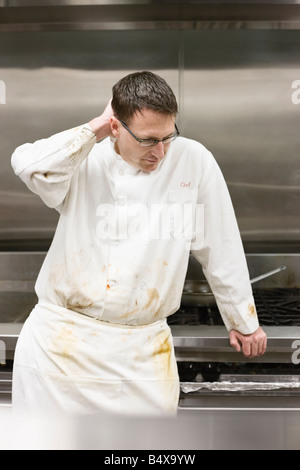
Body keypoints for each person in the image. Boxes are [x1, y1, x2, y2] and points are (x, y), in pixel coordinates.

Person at [11, 71, 267, 416]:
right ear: (116, 127)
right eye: (148, 140)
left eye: (168, 137)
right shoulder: (84, 159)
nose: (160, 152)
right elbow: (29, 166)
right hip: (62, 350)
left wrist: (243, 319)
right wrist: (96, 127)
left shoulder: (193, 160)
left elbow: (220, 245)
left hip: (143, 355)